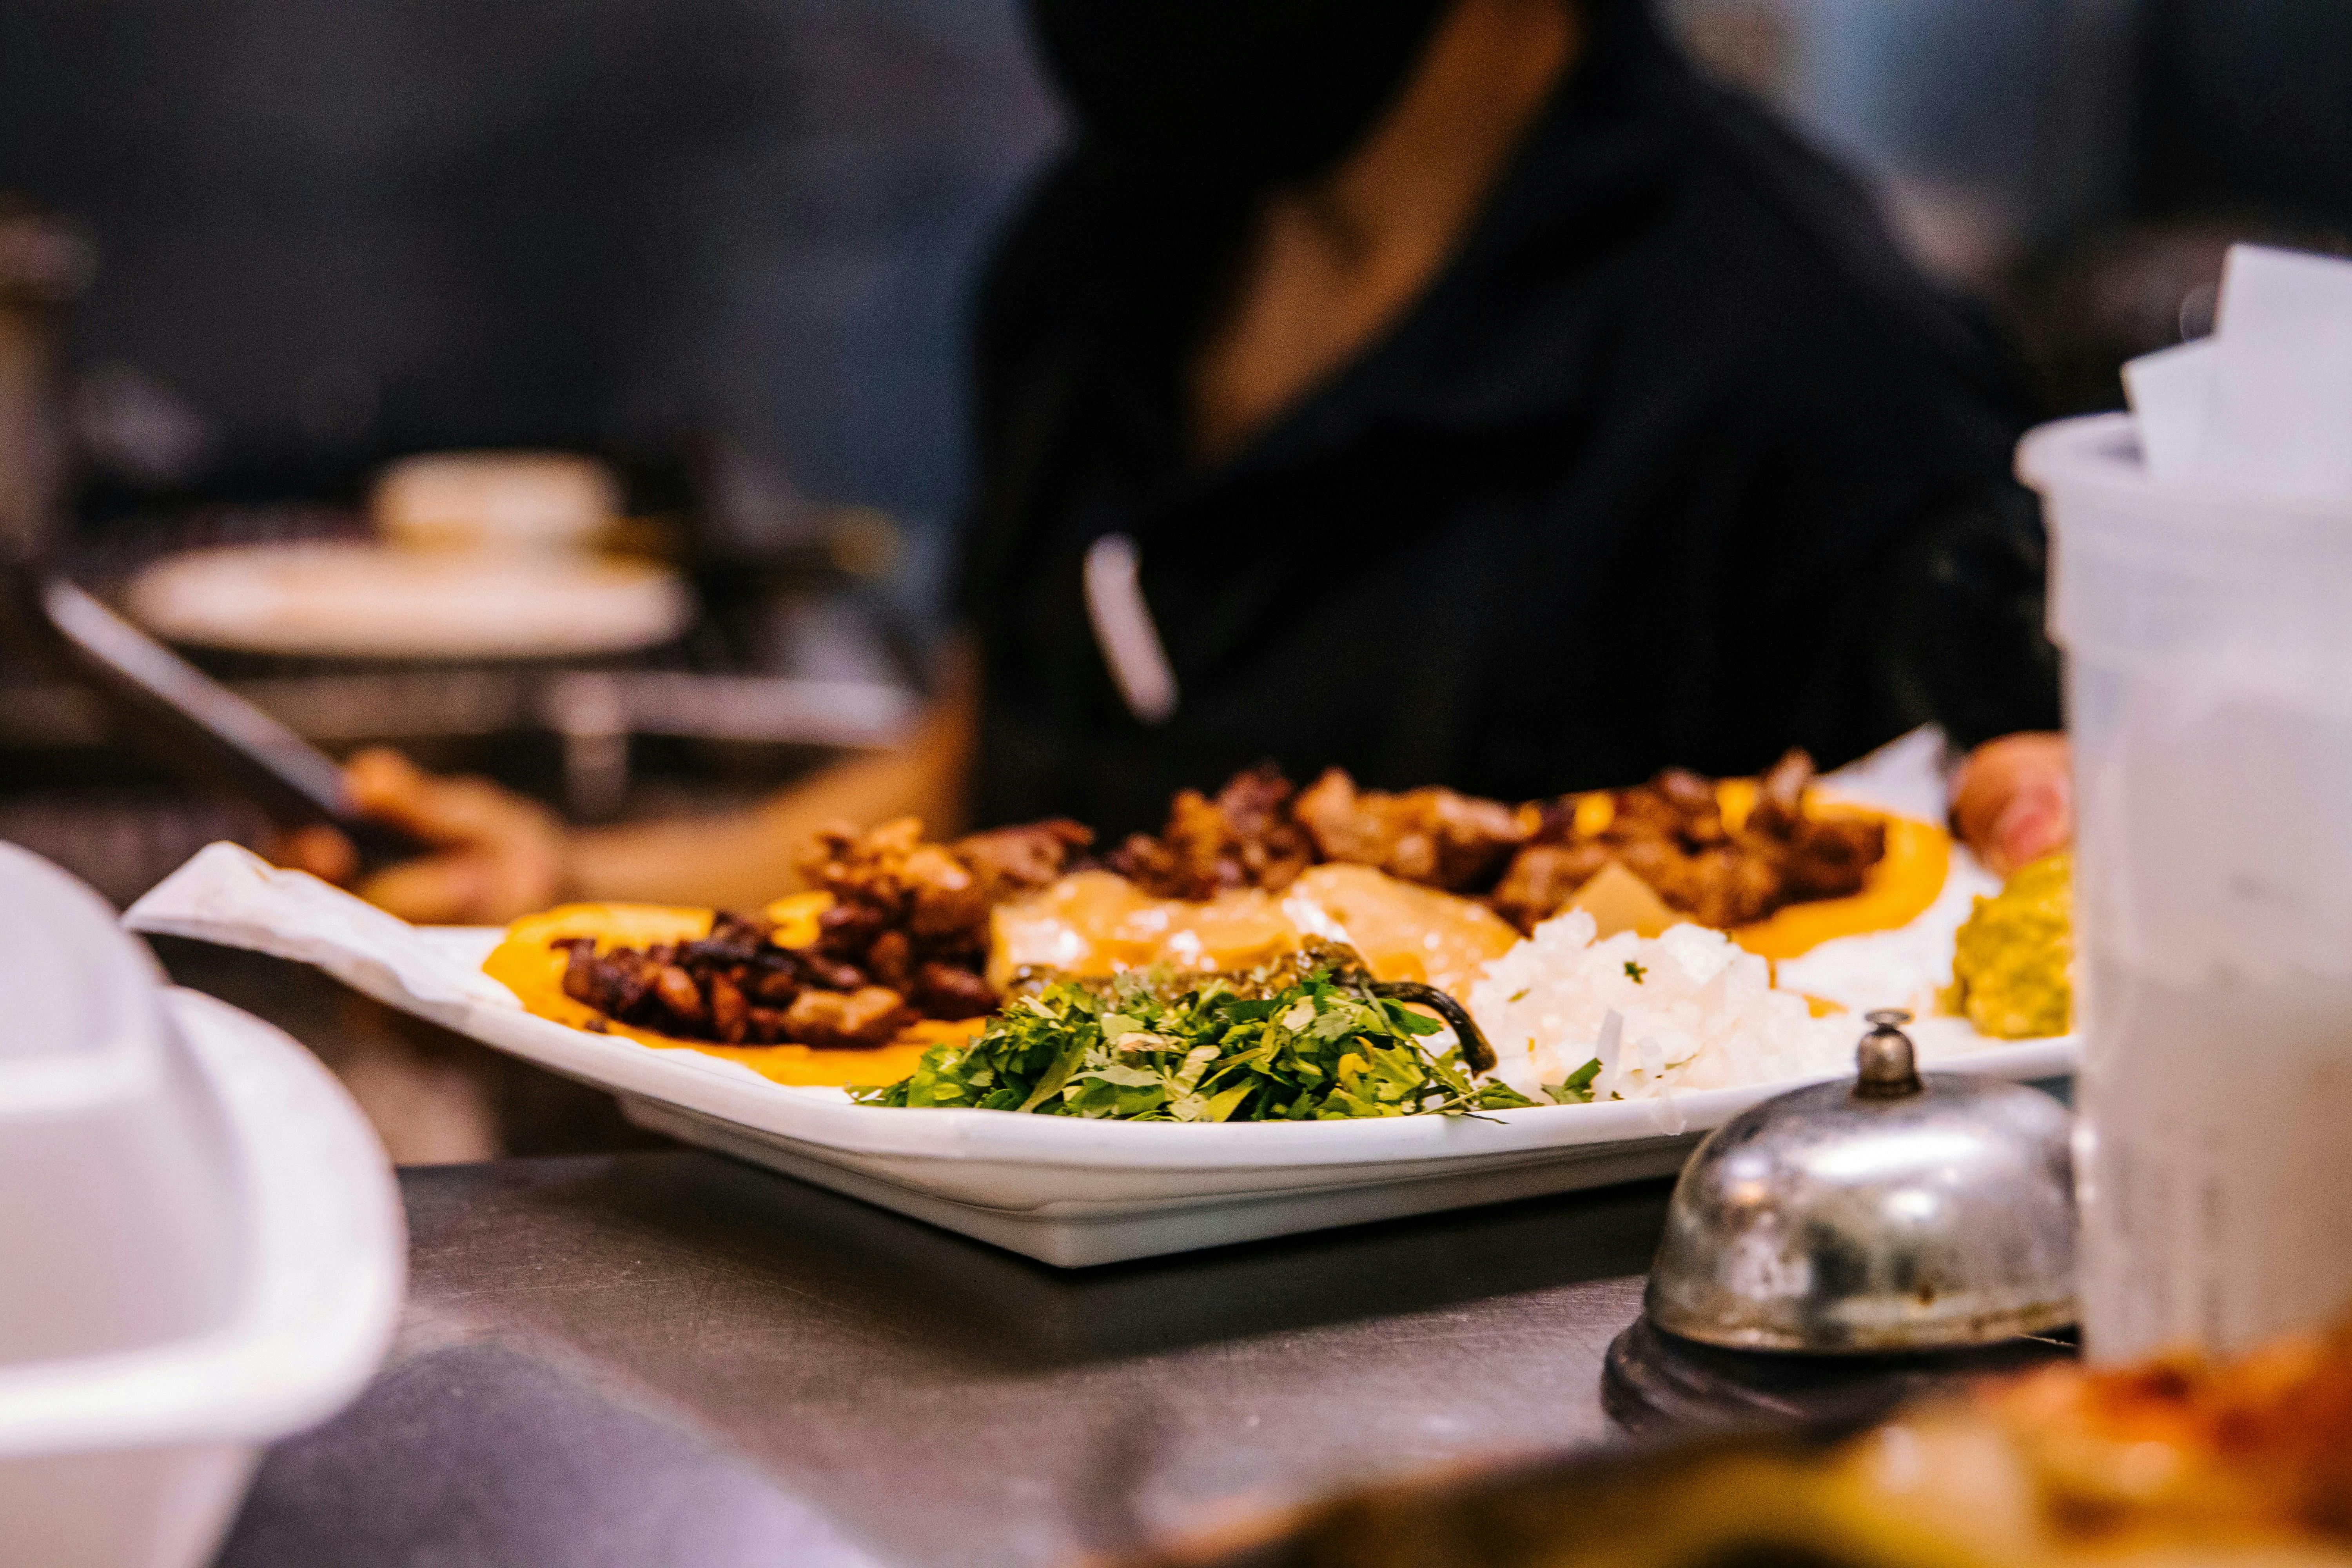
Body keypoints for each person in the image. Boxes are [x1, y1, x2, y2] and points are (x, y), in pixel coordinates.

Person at [289, 0, 2073, 924]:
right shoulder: (1104, 250)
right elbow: (968, 773)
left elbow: (1964, 942)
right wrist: (573, 882)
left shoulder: (1813, 366)